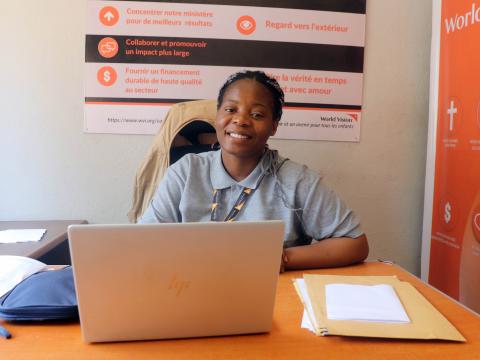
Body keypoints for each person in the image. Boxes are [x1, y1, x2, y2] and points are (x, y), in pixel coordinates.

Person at [139, 70, 369, 271]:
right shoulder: (186, 172)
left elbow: (355, 243)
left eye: (257, 114)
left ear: (274, 125)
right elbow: (144, 241)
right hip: (188, 285)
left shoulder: (296, 180)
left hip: (271, 293)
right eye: (230, 109)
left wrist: (282, 257)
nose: (241, 120)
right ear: (218, 115)